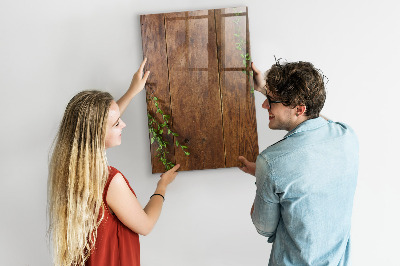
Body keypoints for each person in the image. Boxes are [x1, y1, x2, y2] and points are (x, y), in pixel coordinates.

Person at [48, 58, 180, 266]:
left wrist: (132, 91)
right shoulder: (110, 181)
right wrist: (162, 186)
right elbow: (145, 225)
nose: (124, 124)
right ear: (97, 133)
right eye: (117, 123)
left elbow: (101, 121)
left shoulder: (70, 170)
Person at [239, 60, 359, 265]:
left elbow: (264, 228)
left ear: (299, 108)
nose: (264, 105)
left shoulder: (270, 162)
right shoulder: (347, 135)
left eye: (271, 100)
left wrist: (263, 176)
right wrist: (263, 89)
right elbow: (315, 118)